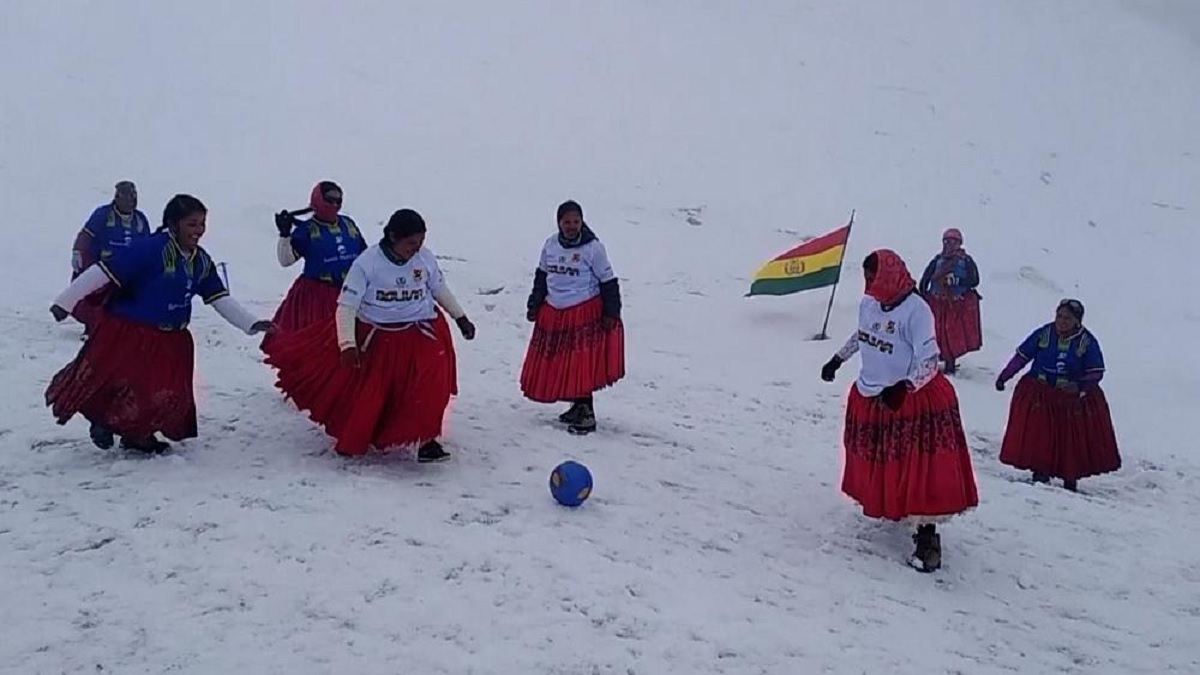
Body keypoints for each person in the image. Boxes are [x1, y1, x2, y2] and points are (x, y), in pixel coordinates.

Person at [46, 194, 273, 453]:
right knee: (117, 383)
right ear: (173, 224)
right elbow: (104, 271)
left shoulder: (200, 260)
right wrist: (65, 302)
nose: (198, 231)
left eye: (202, 224)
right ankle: (103, 421)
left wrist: (252, 323)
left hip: (172, 339)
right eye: (192, 224)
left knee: (160, 392)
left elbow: (218, 297)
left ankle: (138, 434)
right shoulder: (149, 249)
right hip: (132, 333)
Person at [263, 208, 476, 461]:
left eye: (421, 241)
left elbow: (439, 288)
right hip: (379, 335)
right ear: (393, 237)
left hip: (420, 329)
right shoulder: (367, 263)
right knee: (373, 393)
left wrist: (460, 317)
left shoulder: (425, 259)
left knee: (431, 385)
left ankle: (427, 441)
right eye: (411, 243)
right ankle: (361, 433)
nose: (416, 248)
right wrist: (347, 345)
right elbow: (346, 307)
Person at [820, 249, 978, 573]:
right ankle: (894, 505)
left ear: (889, 275)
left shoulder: (917, 311)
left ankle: (927, 537)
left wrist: (905, 387)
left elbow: (930, 360)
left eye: (873, 276)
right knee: (886, 462)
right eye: (866, 276)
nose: (868, 283)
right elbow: (864, 334)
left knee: (918, 469)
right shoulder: (869, 302)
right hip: (873, 394)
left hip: (910, 401)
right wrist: (838, 358)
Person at [520, 200, 624, 435]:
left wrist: (611, 313)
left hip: (582, 311)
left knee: (580, 363)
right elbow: (542, 277)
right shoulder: (550, 246)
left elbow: (609, 282)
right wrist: (535, 303)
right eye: (567, 222)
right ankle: (576, 406)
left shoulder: (593, 248)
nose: (571, 226)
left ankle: (586, 412)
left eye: (576, 222)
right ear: (559, 223)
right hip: (555, 310)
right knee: (563, 362)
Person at [994, 299, 1120, 491]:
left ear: (1077, 321)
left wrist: (1079, 386)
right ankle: (1040, 471)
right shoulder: (1044, 333)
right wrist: (1005, 376)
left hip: (1070, 400)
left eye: (1067, 318)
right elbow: (1022, 356)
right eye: (1059, 316)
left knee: (1069, 440)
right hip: (1041, 393)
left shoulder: (1086, 342)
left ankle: (1070, 477)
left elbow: (1096, 371)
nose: (1061, 322)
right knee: (1041, 435)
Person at [261, 180, 367, 352]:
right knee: (319, 347)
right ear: (317, 200)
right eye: (329, 199)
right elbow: (286, 260)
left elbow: (364, 256)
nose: (334, 205)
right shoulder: (307, 230)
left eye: (338, 201)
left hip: (349, 293)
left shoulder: (348, 225)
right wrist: (285, 234)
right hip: (317, 297)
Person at [68, 180, 152, 336]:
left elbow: (147, 245)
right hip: (102, 266)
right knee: (96, 296)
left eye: (133, 198)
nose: (130, 202)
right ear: (117, 198)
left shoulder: (140, 219)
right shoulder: (103, 215)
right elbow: (86, 234)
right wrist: (77, 251)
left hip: (128, 269)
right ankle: (92, 327)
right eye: (126, 198)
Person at [917, 228, 982, 374]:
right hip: (937, 303)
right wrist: (923, 295)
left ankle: (950, 364)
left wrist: (958, 281)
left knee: (951, 335)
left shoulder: (966, 261)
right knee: (935, 333)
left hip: (955, 305)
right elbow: (925, 279)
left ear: (959, 243)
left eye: (953, 242)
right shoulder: (937, 260)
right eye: (946, 241)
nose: (949, 245)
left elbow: (974, 280)